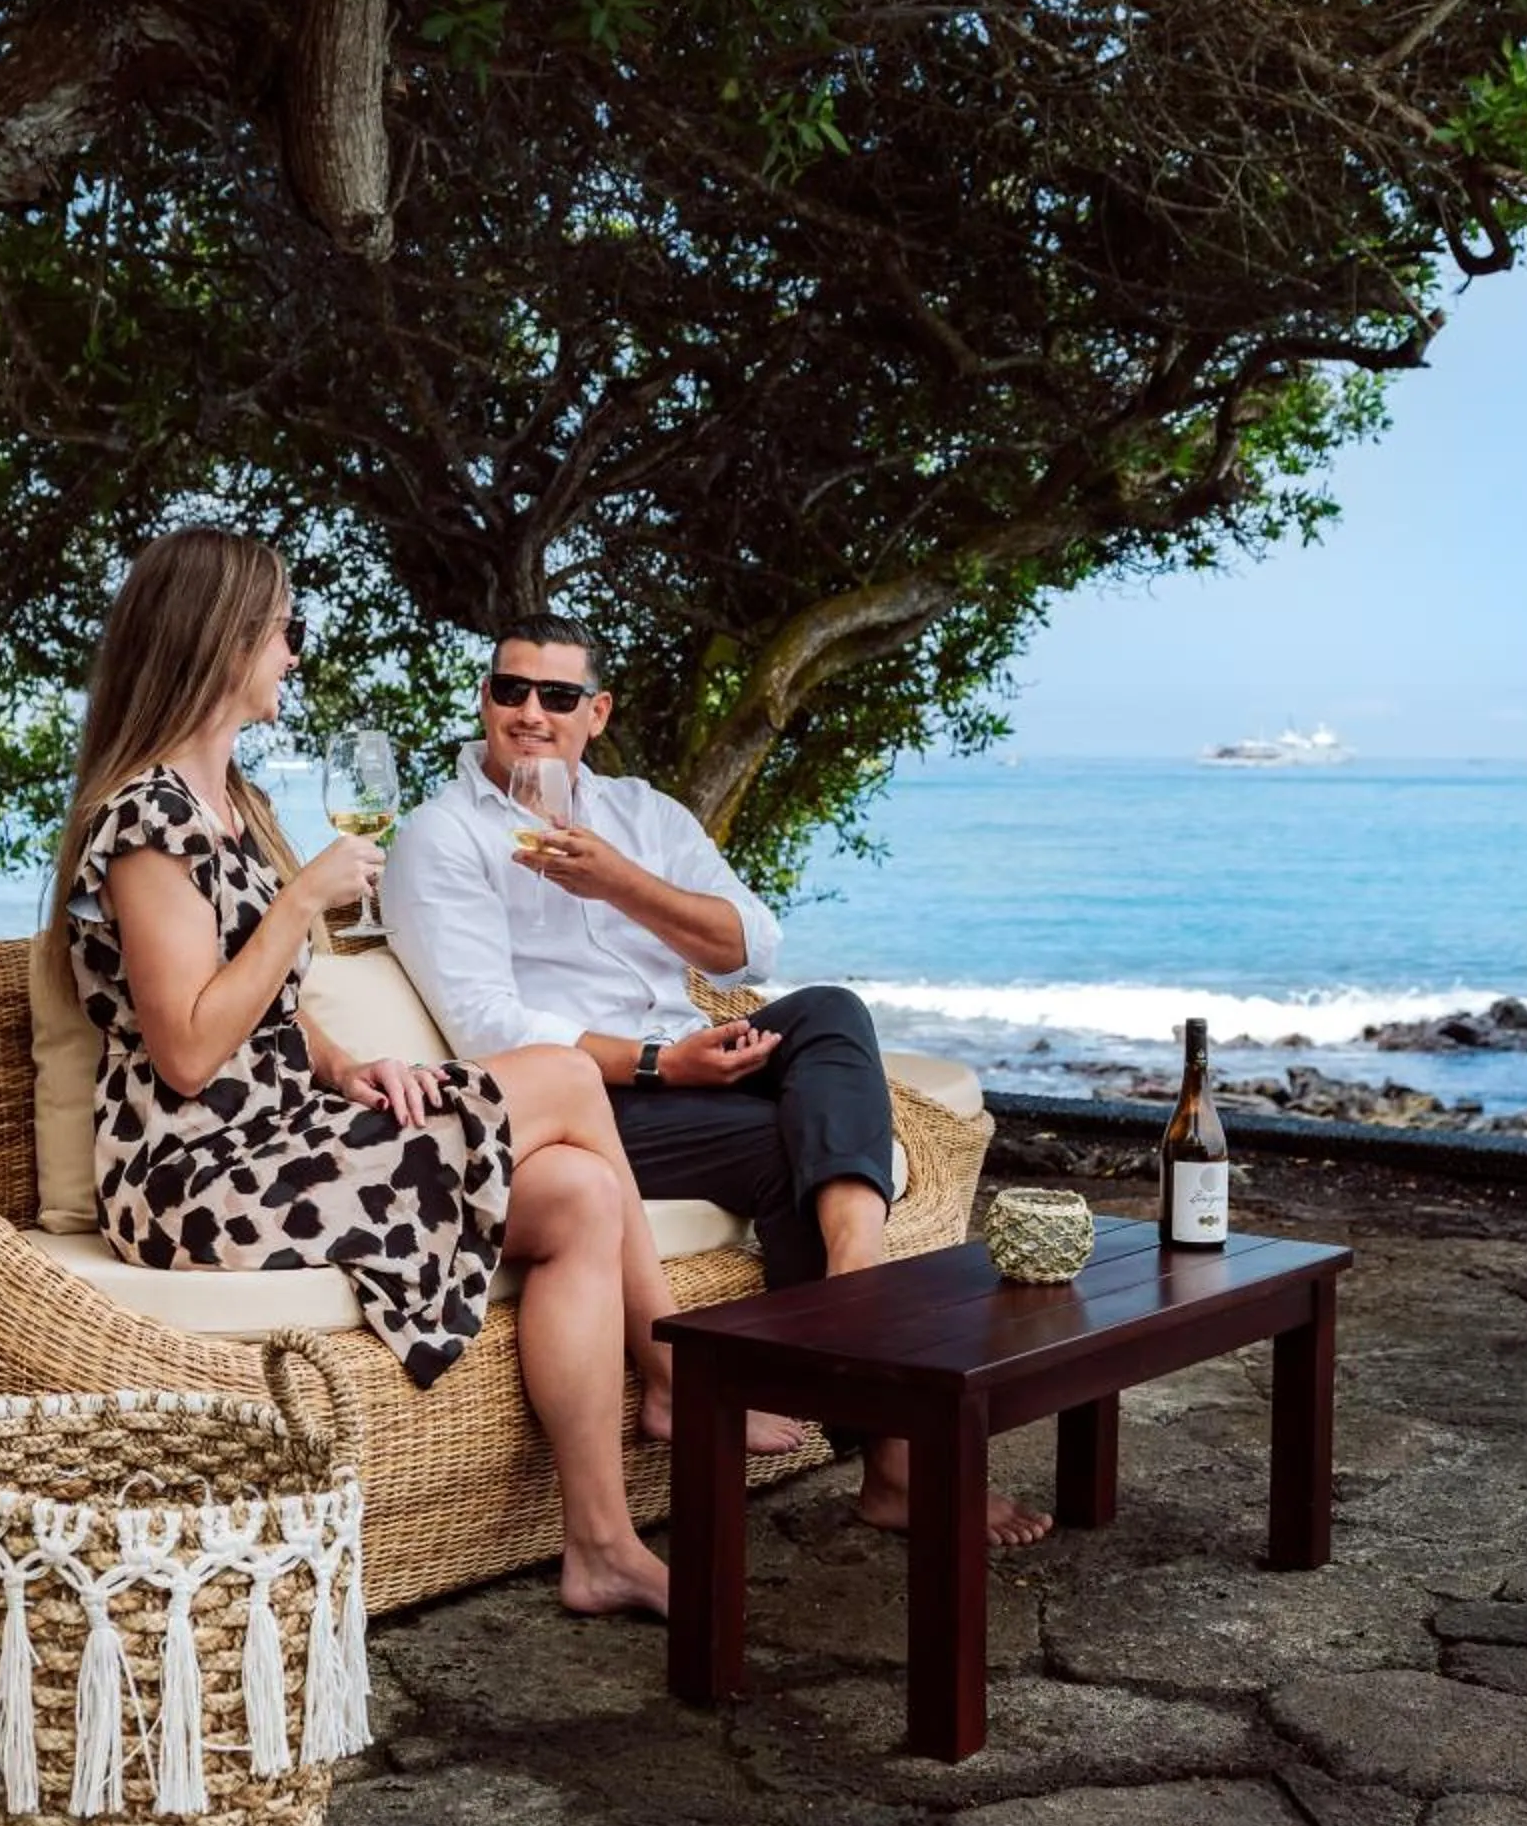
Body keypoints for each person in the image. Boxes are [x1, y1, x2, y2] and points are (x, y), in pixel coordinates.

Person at [49, 532, 785, 1618]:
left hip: (284, 1131)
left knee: (580, 1195)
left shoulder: (233, 805)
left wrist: (351, 1065)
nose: (291, 654)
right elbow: (191, 1051)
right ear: (219, 643)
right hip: (196, 1173)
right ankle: (675, 1370)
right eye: (279, 630)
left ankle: (602, 1545)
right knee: (567, 1083)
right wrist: (305, 900)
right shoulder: (148, 823)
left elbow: (268, 1015)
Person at [383, 613, 1054, 1546]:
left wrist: (621, 883)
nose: (530, 713)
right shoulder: (442, 835)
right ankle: (894, 1464)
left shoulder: (642, 816)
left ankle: (853, 1275)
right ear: (486, 700)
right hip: (585, 1104)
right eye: (510, 690)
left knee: (828, 1011)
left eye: (558, 695)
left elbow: (750, 948)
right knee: (792, 1148)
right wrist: (662, 1063)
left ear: (598, 711)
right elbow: (488, 1029)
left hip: (692, 1061)